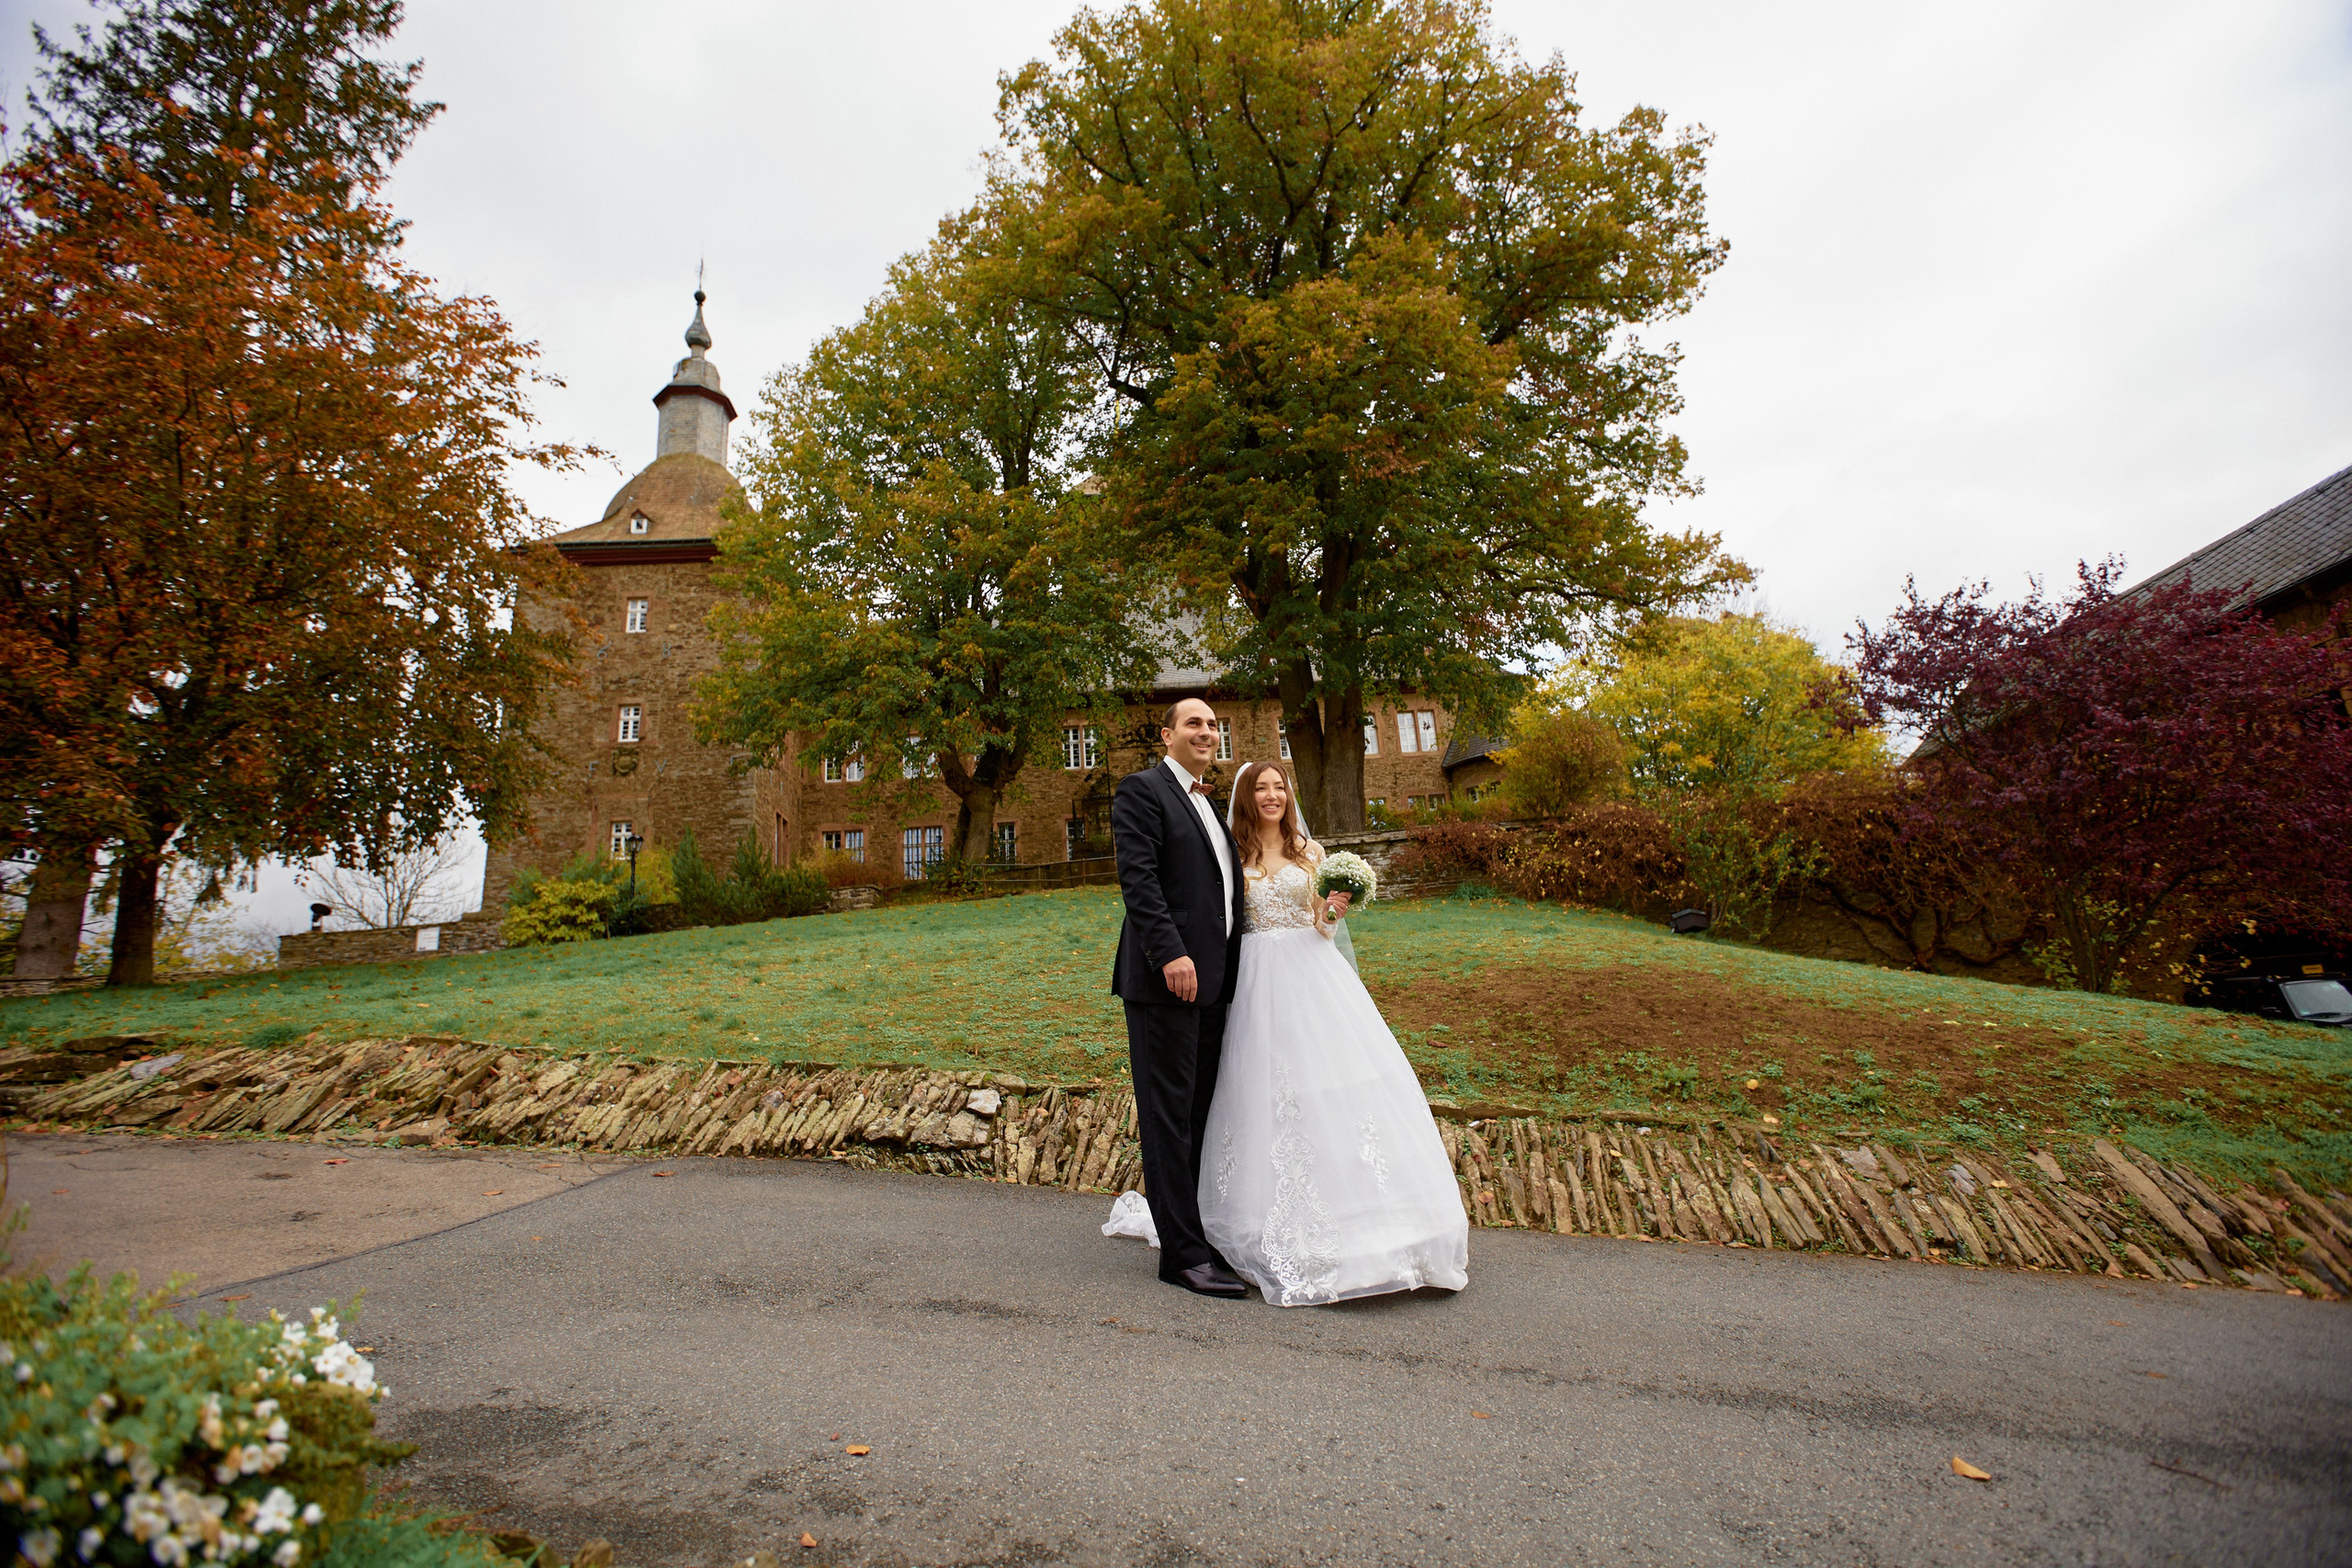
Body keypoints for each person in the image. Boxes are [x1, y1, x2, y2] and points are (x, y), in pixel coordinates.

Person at [1196, 759, 1469, 1306]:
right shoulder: (1230, 853)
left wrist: (1334, 910)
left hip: (1311, 978)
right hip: (1254, 982)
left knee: (1334, 1087)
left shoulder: (1309, 853)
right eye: (1260, 788)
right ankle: (1257, 1215)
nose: (1271, 796)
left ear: (1289, 794)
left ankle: (1367, 1213)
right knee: (1265, 1093)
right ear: (1246, 798)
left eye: (1279, 787)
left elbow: (1321, 926)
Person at [1110, 696, 1251, 1298]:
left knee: (1197, 1116)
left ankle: (1194, 1234)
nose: (1207, 731)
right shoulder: (1141, 791)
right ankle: (1181, 1258)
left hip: (1214, 986)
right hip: (1166, 982)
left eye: (1214, 724)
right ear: (1167, 734)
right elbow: (1139, 880)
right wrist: (1170, 953)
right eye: (1194, 722)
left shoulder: (1210, 803)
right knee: (1169, 1120)